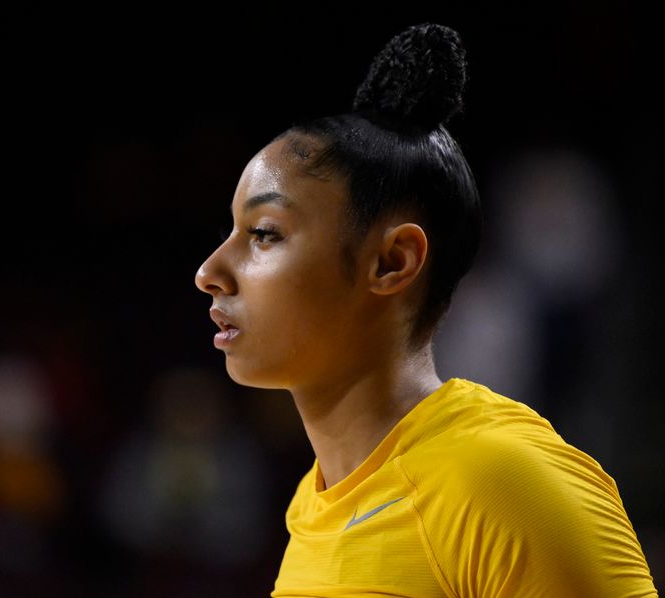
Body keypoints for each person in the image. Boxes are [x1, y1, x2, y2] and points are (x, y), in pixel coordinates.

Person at [194, 22, 658, 597]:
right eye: (231, 232)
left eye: (264, 233)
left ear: (392, 261)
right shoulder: (311, 503)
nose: (209, 272)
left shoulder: (507, 484)